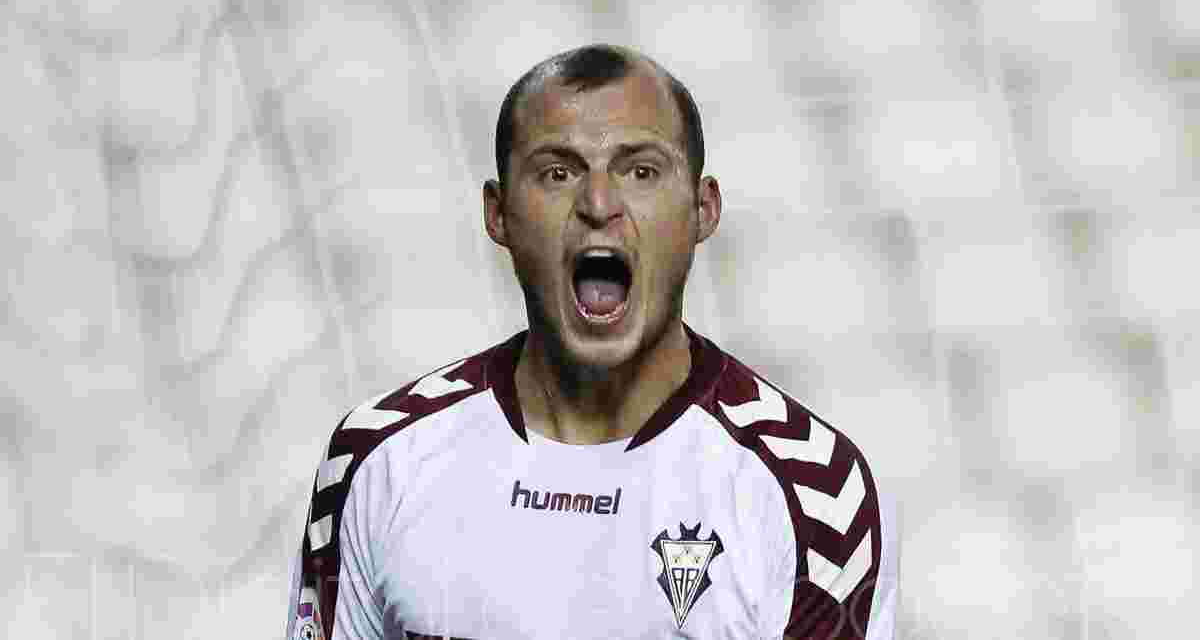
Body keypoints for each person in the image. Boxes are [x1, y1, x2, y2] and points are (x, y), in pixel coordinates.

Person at [284, 44, 898, 640]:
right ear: (498, 213)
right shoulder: (379, 460)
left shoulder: (815, 493)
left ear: (703, 209)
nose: (599, 204)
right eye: (558, 173)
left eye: (641, 171)